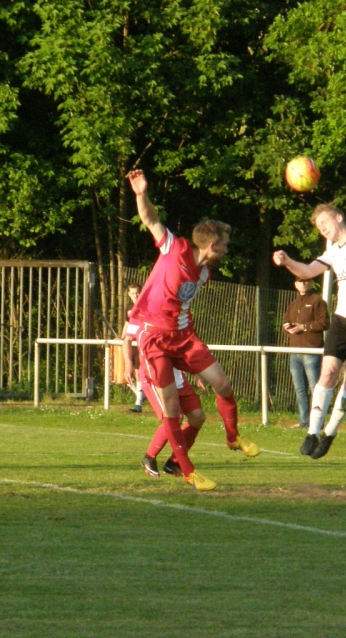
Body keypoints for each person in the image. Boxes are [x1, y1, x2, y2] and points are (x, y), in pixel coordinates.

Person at [127, 168, 259, 491]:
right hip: (154, 337)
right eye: (225, 245)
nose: (227, 250)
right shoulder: (176, 248)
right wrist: (141, 194)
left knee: (223, 383)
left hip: (183, 336)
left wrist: (195, 364)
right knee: (172, 408)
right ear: (212, 245)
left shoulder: (204, 275)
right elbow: (150, 220)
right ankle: (186, 470)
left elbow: (183, 309)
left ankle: (233, 437)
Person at [273, 204, 346, 459]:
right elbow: (307, 271)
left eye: (325, 222)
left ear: (339, 217)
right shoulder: (333, 251)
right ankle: (313, 432)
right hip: (342, 319)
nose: (323, 229)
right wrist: (286, 261)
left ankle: (331, 432)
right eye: (319, 227)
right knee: (327, 372)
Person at [122, 315, 206, 477]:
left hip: (178, 378)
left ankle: (173, 463)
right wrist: (129, 365)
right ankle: (149, 457)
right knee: (175, 416)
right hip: (155, 378)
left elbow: (189, 343)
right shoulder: (141, 316)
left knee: (197, 417)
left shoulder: (178, 314)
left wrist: (197, 370)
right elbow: (127, 340)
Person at [283, 278, 328, 429]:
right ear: (295, 284)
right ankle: (304, 422)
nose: (303, 283)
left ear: (310, 283)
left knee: (315, 387)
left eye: (306, 281)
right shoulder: (293, 304)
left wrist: (304, 327)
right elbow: (285, 323)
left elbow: (324, 323)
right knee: (299, 388)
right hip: (294, 351)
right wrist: (288, 328)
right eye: (299, 281)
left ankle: (318, 422)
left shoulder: (317, 301)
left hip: (311, 351)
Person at [126, 283, 146, 413]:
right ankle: (142, 395)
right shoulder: (129, 308)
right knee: (126, 373)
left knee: (139, 372)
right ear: (129, 294)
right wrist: (122, 338)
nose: (135, 295)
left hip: (143, 343)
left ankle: (138, 402)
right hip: (132, 342)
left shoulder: (147, 306)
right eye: (132, 293)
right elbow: (128, 324)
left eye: (137, 292)